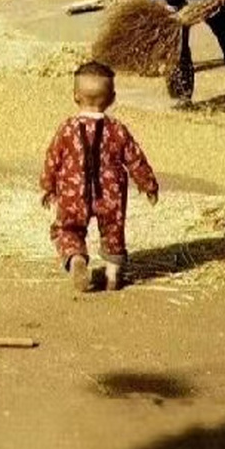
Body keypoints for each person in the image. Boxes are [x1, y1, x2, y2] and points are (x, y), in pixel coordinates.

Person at [40, 60, 159, 293]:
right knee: (114, 232)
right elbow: (135, 158)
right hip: (111, 195)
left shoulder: (67, 128)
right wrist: (148, 185)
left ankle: (76, 258)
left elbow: (52, 158)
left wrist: (47, 186)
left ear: (75, 96)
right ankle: (113, 273)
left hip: (73, 194)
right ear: (112, 98)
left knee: (68, 230)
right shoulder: (117, 129)